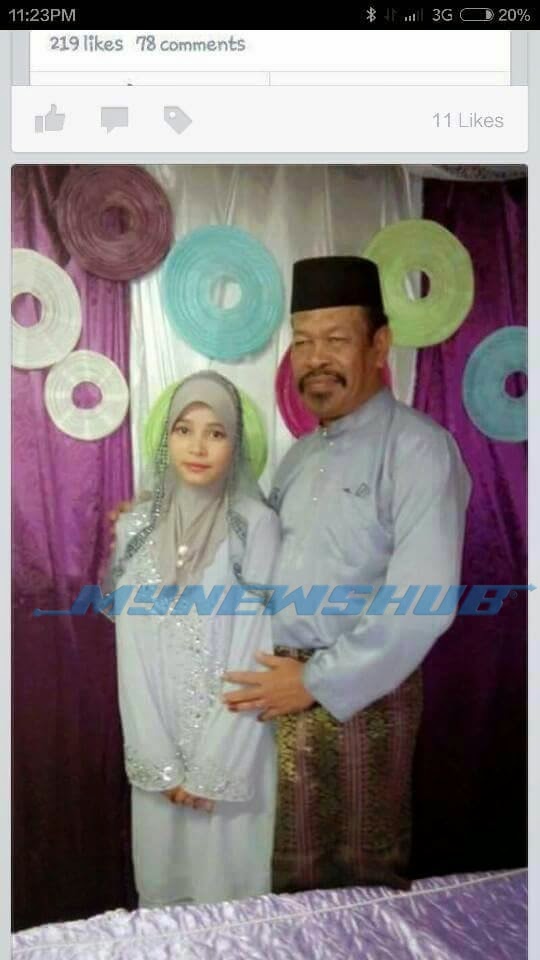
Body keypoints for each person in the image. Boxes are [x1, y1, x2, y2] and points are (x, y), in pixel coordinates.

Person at [222, 256, 472, 892]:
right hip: (281, 691)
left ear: (379, 345)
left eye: (335, 339)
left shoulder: (418, 449)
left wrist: (315, 680)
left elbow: (423, 603)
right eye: (303, 341)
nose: (315, 359)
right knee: (285, 882)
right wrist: (160, 516)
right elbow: (252, 556)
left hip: (365, 701)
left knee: (357, 884)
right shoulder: (299, 458)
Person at [105, 371, 280, 907]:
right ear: (166, 439)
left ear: (236, 444)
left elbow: (257, 654)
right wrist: (161, 765)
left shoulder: (255, 526)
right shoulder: (135, 528)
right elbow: (131, 659)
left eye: (216, 432)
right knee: (166, 897)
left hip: (233, 757)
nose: (198, 447)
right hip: (159, 754)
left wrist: (211, 772)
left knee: (231, 900)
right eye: (184, 430)